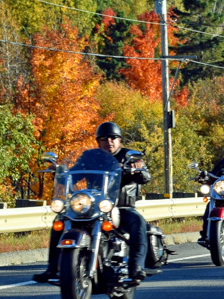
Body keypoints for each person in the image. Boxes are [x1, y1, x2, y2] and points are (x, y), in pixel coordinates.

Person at [34, 121, 153, 283]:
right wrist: (60, 172)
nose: (109, 141)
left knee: (138, 222)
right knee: (60, 221)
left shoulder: (128, 156)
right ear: (98, 141)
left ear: (119, 140)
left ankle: (136, 268)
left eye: (113, 137)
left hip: (121, 207)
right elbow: (74, 174)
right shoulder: (89, 156)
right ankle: (52, 269)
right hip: (93, 206)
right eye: (104, 138)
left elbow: (145, 177)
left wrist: (137, 169)